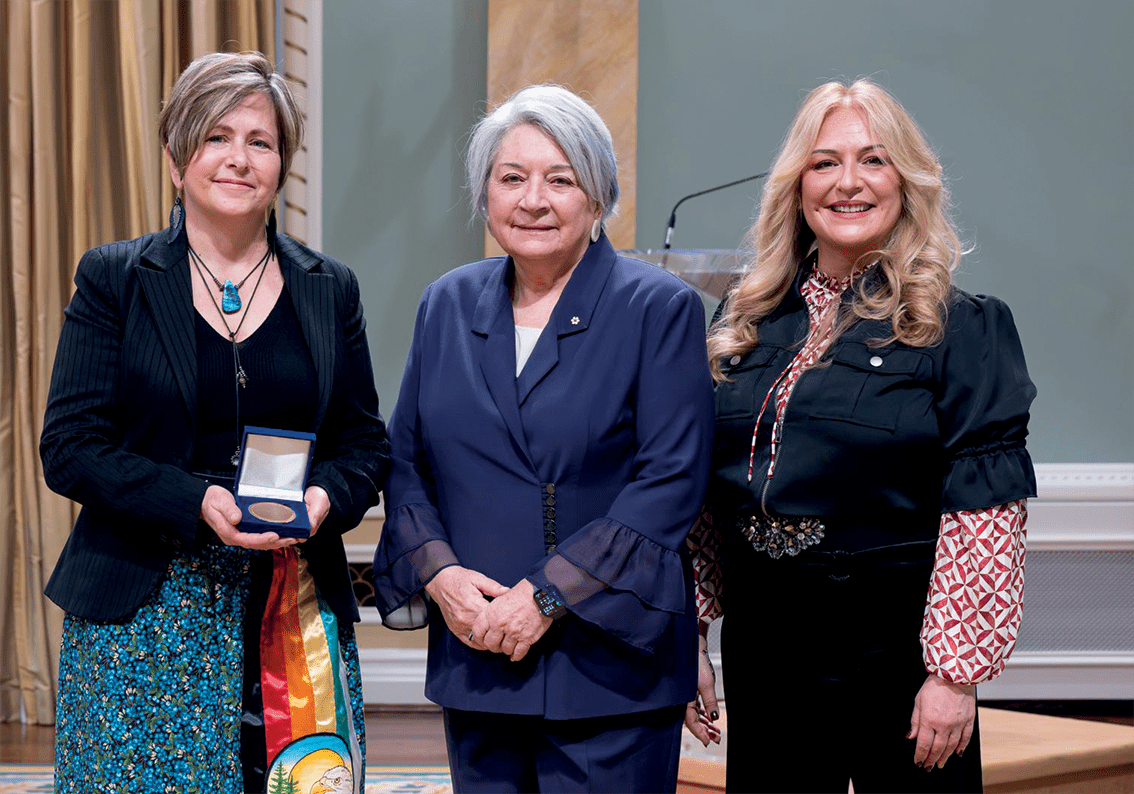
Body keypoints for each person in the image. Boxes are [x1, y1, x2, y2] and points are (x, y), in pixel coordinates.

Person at [40, 51, 388, 794]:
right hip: (142, 613)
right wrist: (196, 501)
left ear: (282, 163)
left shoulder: (331, 288)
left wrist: (325, 499)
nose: (238, 158)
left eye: (259, 142)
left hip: (293, 614)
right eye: (215, 137)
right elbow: (69, 449)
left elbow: (364, 442)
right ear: (176, 159)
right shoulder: (115, 279)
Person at [685, 79, 1036, 793]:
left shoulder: (962, 325)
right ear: (796, 187)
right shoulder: (743, 318)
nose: (848, 183)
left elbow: (985, 515)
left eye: (873, 161)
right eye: (824, 164)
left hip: (894, 649)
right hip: (767, 642)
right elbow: (699, 495)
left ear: (906, 183)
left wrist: (953, 674)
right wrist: (688, 630)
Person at [371, 84, 714, 794]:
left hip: (607, 663)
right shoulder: (447, 302)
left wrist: (546, 597)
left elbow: (670, 482)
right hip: (478, 652)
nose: (534, 199)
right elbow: (406, 462)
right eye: (512, 178)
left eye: (562, 179)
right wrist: (440, 576)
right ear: (484, 193)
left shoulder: (658, 307)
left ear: (598, 196)